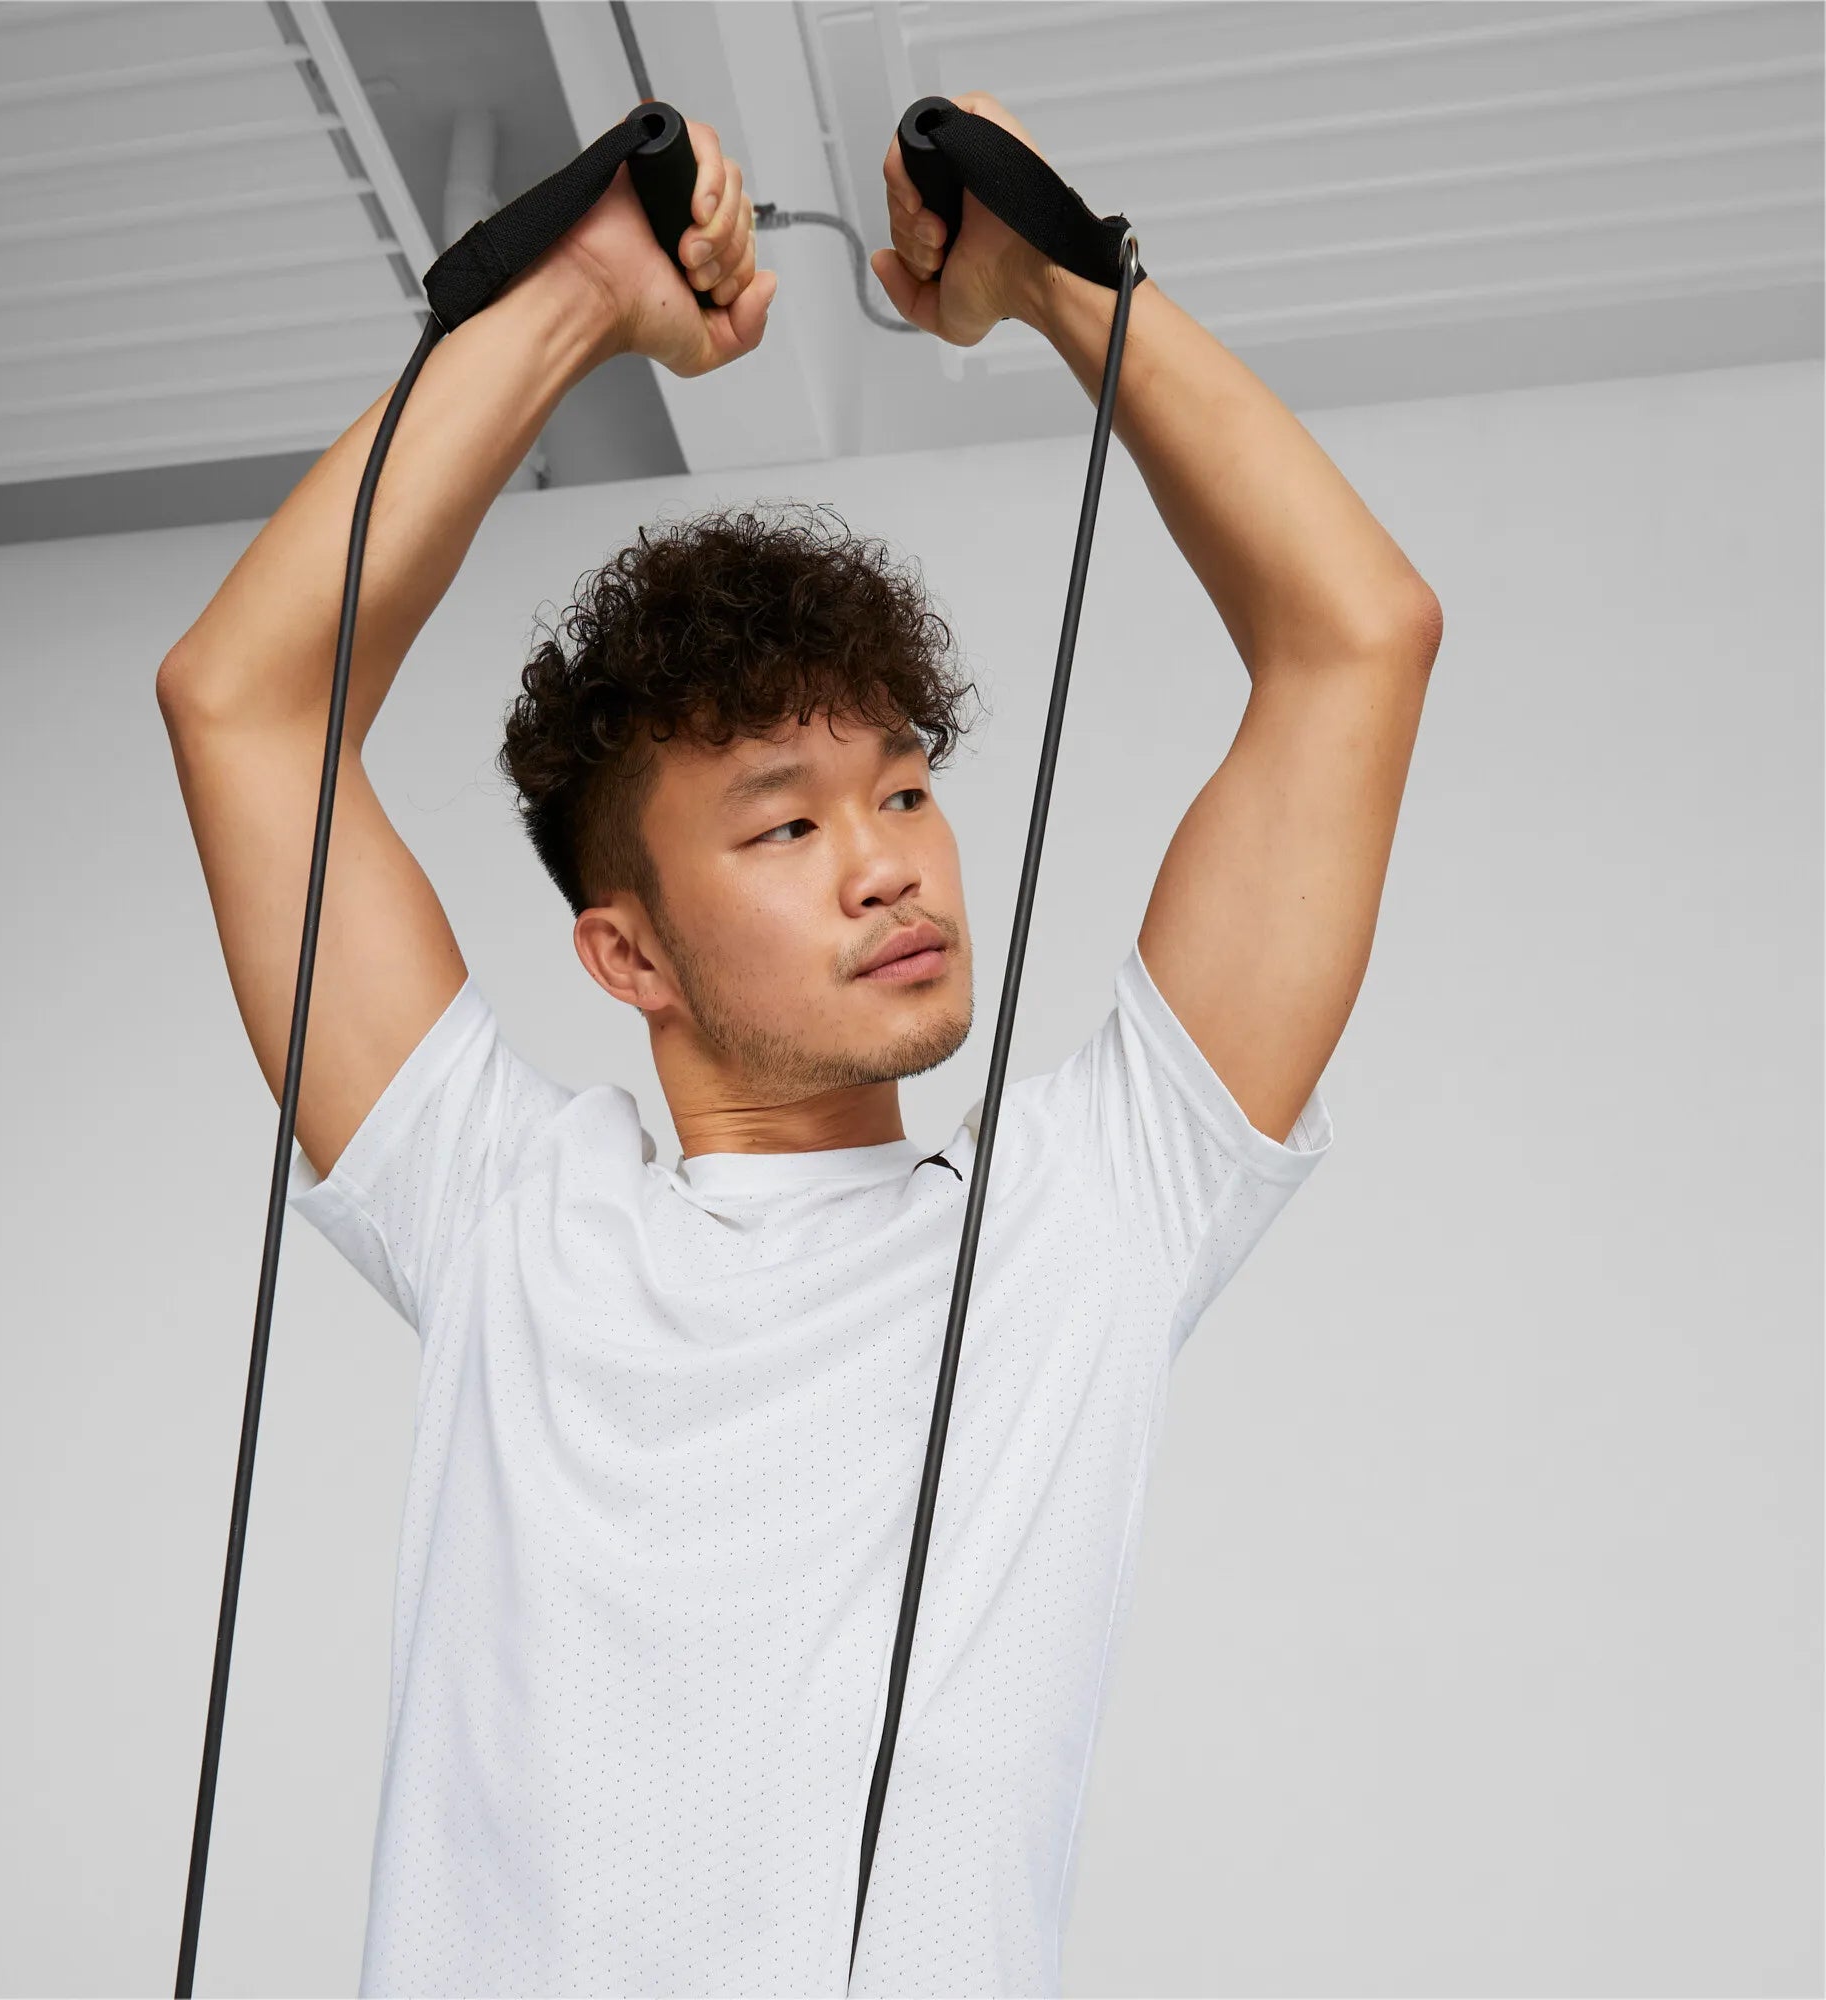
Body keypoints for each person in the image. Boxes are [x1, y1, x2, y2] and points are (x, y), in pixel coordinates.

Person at [157, 93, 1440, 2000]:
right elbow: (245, 706)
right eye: (782, 827)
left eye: (905, 791)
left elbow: (1359, 637)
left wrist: (1061, 289)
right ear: (627, 954)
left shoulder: (1089, 1214)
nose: (887, 864)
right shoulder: (510, 1214)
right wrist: (575, 302)